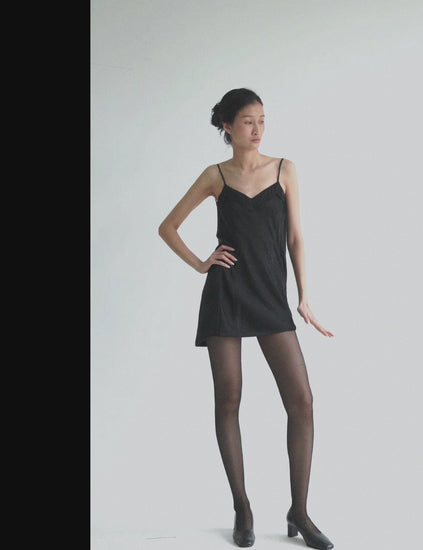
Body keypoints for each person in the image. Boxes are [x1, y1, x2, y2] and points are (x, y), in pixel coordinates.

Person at [158, 88, 334, 549]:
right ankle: (242, 506)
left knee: (302, 401)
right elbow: (167, 227)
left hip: (270, 296)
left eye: (262, 120)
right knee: (229, 399)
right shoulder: (215, 175)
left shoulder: (284, 169)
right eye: (248, 121)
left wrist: (304, 297)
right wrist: (202, 263)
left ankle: (299, 510)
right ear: (227, 126)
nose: (257, 129)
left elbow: (296, 238)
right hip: (227, 295)